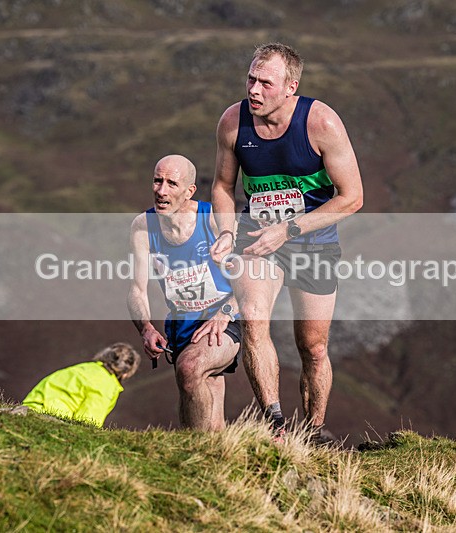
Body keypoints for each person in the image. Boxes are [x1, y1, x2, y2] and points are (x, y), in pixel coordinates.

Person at [210, 42, 363, 442]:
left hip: (313, 242)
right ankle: (276, 425)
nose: (254, 90)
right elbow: (223, 186)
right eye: (250, 79)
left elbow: (352, 197)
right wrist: (226, 231)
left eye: (265, 83)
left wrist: (290, 229)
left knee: (312, 346)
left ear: (290, 87)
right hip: (257, 239)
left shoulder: (322, 123)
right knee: (254, 323)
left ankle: (314, 431)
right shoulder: (233, 122)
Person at [128, 154, 242, 431]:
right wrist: (145, 328)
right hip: (181, 324)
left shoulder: (214, 219)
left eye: (171, 183)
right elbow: (136, 288)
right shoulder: (143, 226)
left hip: (224, 318)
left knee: (190, 369)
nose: (161, 191)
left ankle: (194, 453)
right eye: (157, 181)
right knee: (206, 405)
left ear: (190, 190)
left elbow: (252, 280)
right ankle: (217, 459)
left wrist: (225, 314)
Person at [21, 342, 140, 427]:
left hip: (28, 408)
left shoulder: (84, 368)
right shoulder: (106, 385)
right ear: (126, 373)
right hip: (51, 419)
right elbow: (87, 423)